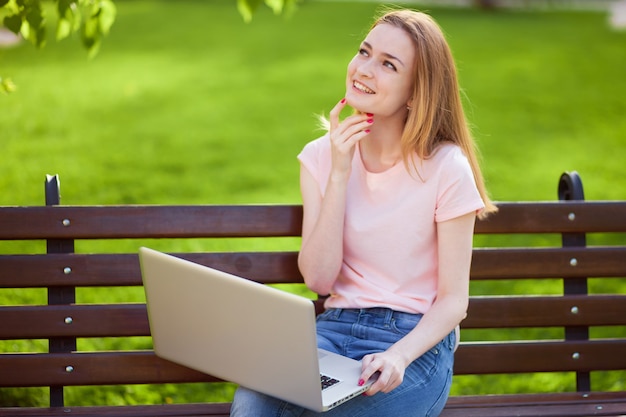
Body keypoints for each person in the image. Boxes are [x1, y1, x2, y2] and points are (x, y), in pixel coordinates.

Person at [231, 8, 497, 417]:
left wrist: (399, 356)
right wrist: (339, 174)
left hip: (414, 343)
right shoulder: (321, 157)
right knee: (255, 402)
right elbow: (319, 279)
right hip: (333, 331)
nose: (364, 69)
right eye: (364, 52)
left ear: (415, 92)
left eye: (388, 64)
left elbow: (453, 301)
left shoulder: (446, 167)